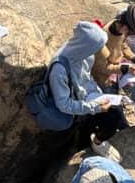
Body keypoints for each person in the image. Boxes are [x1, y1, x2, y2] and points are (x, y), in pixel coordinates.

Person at [50, 21, 128, 161]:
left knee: (116, 111)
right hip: (75, 107)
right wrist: (94, 107)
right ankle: (89, 145)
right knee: (112, 116)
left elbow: (88, 78)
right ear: (86, 46)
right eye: (96, 48)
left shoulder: (86, 55)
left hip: (88, 98)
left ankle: (95, 142)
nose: (99, 52)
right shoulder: (59, 69)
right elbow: (63, 104)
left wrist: (100, 96)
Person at [92, 4, 135, 129]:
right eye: (131, 33)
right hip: (104, 76)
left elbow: (124, 46)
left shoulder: (119, 28)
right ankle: (119, 123)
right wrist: (124, 69)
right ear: (125, 27)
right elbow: (101, 68)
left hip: (119, 66)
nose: (132, 36)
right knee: (113, 104)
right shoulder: (102, 39)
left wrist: (133, 58)